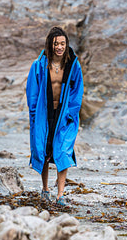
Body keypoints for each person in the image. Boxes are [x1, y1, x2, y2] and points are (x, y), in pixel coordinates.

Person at [26, 26, 83, 206]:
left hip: (64, 115)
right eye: (56, 44)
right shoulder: (39, 65)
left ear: (67, 44)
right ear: (50, 45)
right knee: (43, 149)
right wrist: (34, 115)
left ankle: (60, 195)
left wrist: (71, 113)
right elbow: (32, 92)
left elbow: (77, 91)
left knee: (63, 150)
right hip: (44, 114)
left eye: (62, 43)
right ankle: (45, 190)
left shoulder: (73, 65)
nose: (59, 47)